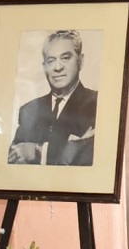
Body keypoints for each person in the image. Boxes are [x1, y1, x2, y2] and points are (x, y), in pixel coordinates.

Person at [8, 30, 98, 166]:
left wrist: (38, 152)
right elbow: (14, 159)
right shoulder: (28, 110)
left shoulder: (98, 104)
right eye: (51, 60)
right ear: (44, 67)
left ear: (80, 61)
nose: (57, 67)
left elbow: (90, 157)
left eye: (65, 58)